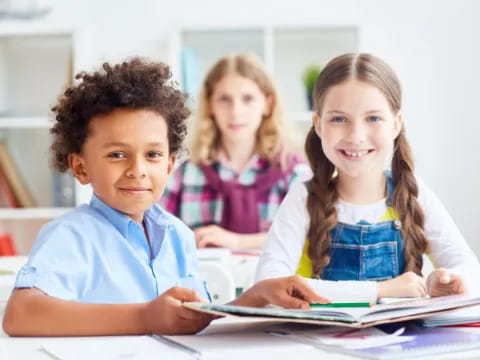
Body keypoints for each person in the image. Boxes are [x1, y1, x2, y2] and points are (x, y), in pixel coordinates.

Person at [2, 58, 328, 337]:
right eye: (117, 154)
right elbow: (20, 315)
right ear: (80, 166)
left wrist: (256, 298)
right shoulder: (71, 236)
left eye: (153, 155)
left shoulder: (177, 236)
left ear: (171, 164)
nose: (137, 169)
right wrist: (144, 316)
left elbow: (193, 320)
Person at [255, 53, 480, 303]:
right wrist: (379, 290)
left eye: (373, 118)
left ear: (396, 124)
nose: (356, 136)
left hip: (400, 339)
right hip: (316, 338)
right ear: (318, 124)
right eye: (339, 119)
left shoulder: (414, 194)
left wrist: (450, 279)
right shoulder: (304, 197)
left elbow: (470, 269)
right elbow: (269, 286)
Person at [161, 52, 310, 250]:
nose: (236, 111)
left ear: (267, 104)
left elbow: (310, 236)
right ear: (210, 104)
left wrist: (238, 242)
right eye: (224, 99)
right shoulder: (185, 175)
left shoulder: (294, 172)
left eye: (247, 99)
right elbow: (159, 235)